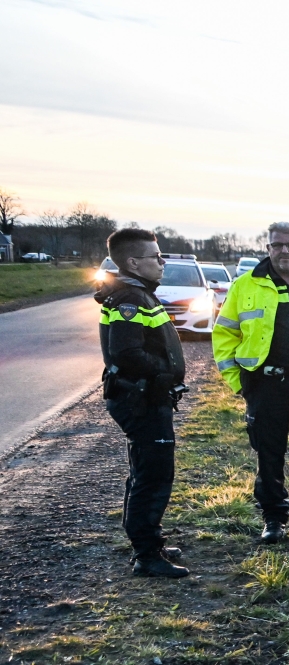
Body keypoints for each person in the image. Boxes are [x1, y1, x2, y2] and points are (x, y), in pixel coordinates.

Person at [213, 222, 289, 543]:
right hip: (267, 387)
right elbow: (225, 333)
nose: (284, 250)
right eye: (277, 245)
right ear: (267, 249)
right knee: (269, 455)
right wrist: (238, 382)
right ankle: (274, 519)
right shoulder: (245, 286)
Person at [96, 228, 189, 578]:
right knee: (153, 475)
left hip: (145, 397)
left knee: (145, 471)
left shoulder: (137, 294)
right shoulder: (129, 301)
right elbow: (126, 352)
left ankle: (149, 540)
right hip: (139, 400)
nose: (162, 262)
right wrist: (163, 374)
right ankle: (147, 555)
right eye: (156, 256)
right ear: (134, 262)